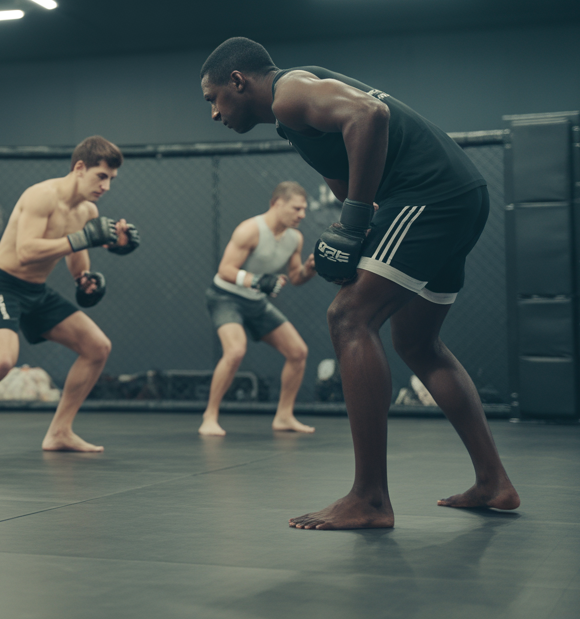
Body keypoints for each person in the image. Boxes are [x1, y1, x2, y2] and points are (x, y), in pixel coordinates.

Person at [200, 37, 520, 530]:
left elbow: (369, 115)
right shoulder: (295, 121)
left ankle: (370, 498)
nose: (214, 115)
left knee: (349, 318)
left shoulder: (289, 92)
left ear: (238, 82)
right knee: (417, 343)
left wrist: (350, 226)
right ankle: (494, 482)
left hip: (427, 195)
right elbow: (350, 182)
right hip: (458, 194)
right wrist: (354, 237)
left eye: (213, 99)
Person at [0, 136, 139, 463]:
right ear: (79, 168)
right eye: (101, 176)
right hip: (1, 285)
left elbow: (75, 258)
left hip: (36, 291)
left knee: (98, 347)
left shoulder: (87, 210)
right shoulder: (41, 196)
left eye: (111, 179)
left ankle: (60, 432)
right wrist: (83, 238)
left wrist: (86, 281)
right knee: (1, 362)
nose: (106, 186)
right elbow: (26, 251)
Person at [201, 181, 317, 436]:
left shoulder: (294, 238)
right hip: (225, 297)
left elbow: (296, 277)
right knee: (235, 351)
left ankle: (284, 417)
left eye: (304, 209)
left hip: (255, 301)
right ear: (277, 204)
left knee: (298, 352)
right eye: (297, 209)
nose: (302, 215)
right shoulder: (250, 230)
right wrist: (256, 280)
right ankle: (209, 417)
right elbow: (225, 270)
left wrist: (310, 269)